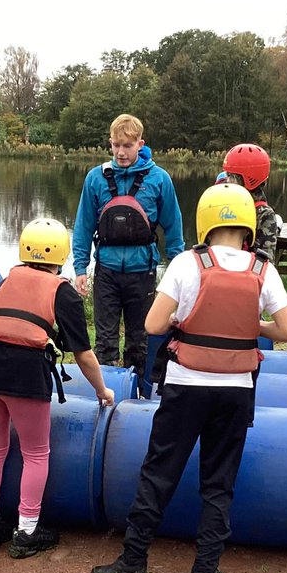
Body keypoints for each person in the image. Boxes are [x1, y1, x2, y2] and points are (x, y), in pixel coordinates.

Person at [90, 184, 287, 573]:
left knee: (158, 474)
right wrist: (250, 327)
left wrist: (186, 322)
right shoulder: (263, 269)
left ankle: (133, 564)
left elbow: (152, 325)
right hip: (236, 391)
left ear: (206, 223)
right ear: (247, 228)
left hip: (185, 387)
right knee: (218, 483)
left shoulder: (188, 263)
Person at [0, 219, 115, 559]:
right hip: (23, 371)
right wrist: (103, 391)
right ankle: (27, 530)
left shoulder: (6, 281)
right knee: (35, 453)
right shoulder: (62, 290)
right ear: (60, 254)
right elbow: (84, 354)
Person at [71, 114, 184, 383]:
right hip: (107, 272)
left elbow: (174, 229)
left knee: (140, 341)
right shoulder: (95, 179)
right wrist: (80, 267)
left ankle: (139, 399)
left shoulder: (159, 179)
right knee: (105, 342)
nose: (121, 152)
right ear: (110, 144)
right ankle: (107, 396)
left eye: (127, 146)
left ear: (140, 144)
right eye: (116, 145)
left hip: (142, 272)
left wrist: (177, 272)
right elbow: (84, 225)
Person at [222, 143, 280, 259]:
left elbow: (265, 263)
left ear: (248, 178)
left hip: (246, 274)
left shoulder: (264, 214)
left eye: (231, 176)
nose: (226, 181)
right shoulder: (223, 203)